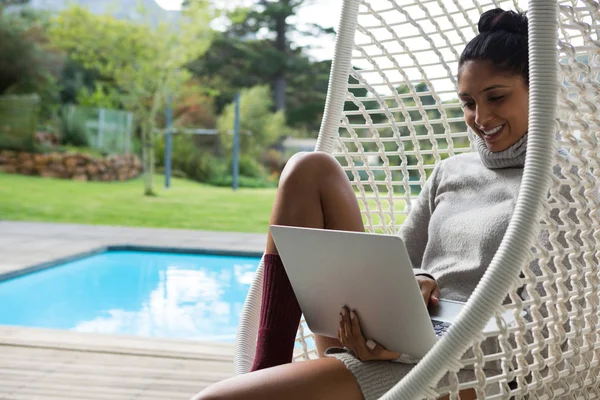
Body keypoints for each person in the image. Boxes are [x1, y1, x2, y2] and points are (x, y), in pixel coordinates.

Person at [194, 7, 530, 400]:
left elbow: (550, 322)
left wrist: (410, 344)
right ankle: (268, 363)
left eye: (496, 97)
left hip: (466, 368)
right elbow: (400, 262)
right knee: (308, 168)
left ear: (538, 90)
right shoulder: (451, 171)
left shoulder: (562, 188)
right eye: (469, 102)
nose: (480, 116)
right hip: (382, 345)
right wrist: (419, 283)